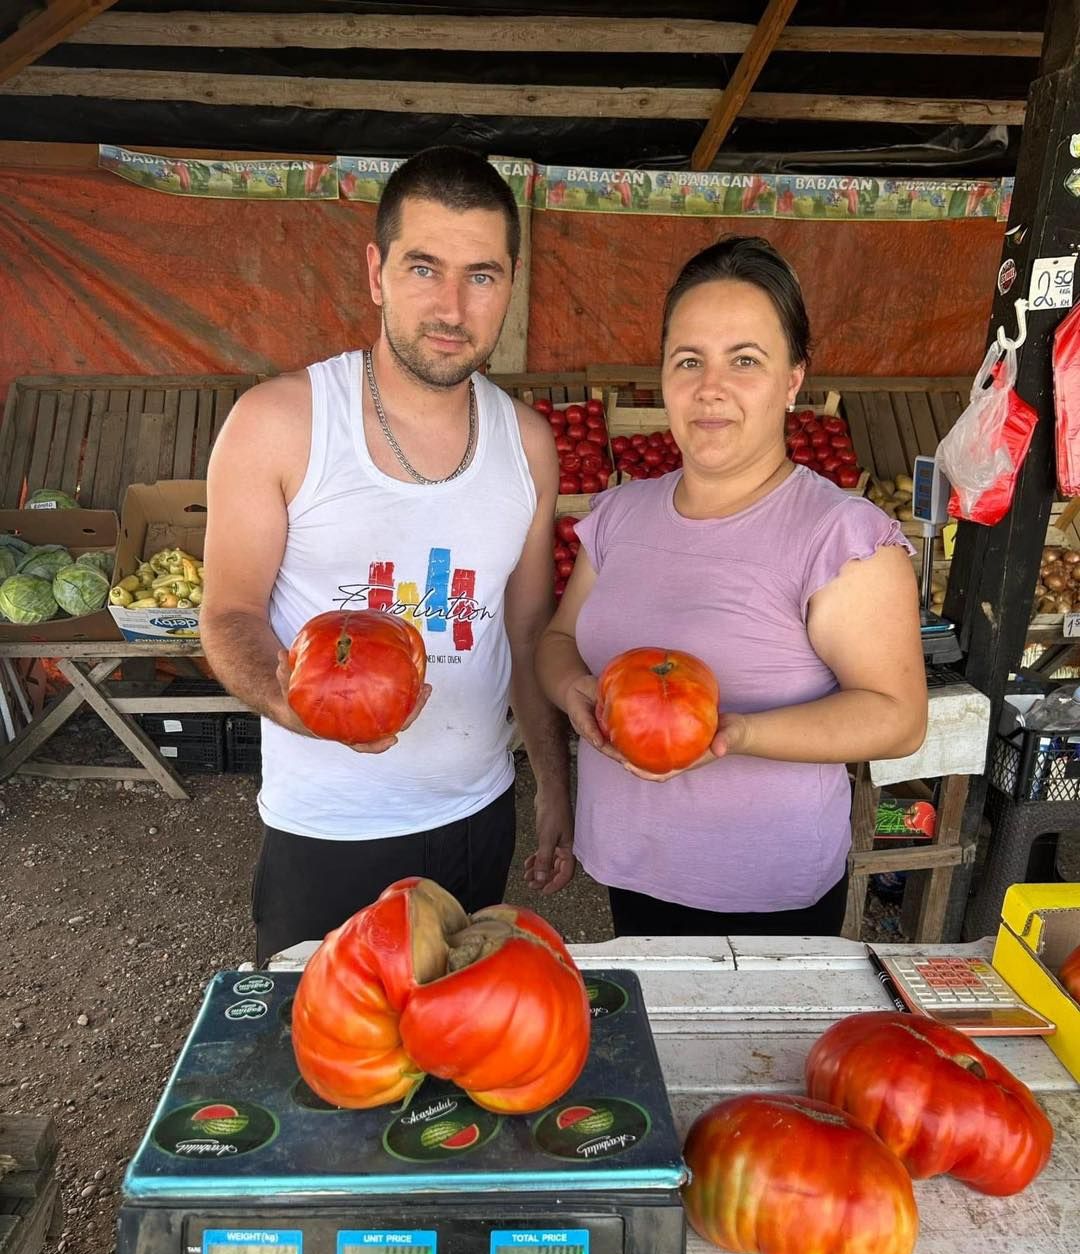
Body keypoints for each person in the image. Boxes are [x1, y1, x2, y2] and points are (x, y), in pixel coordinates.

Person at [201, 146, 574, 963]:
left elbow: (527, 628)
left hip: (478, 817)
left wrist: (552, 781)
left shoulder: (530, 445)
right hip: (329, 829)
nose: (451, 306)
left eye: (481, 275)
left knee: (462, 1062)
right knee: (329, 1069)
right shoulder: (280, 421)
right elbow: (228, 615)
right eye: (423, 268)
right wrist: (295, 704)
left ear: (509, 283)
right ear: (375, 272)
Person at [536, 236, 927, 939]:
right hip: (629, 865)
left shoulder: (841, 536)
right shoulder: (621, 512)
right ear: (662, 376)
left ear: (793, 379)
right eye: (689, 361)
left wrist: (741, 733)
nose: (710, 387)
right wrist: (572, 692)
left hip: (766, 891)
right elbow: (559, 640)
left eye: (745, 360)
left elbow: (896, 717)